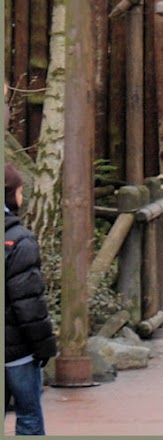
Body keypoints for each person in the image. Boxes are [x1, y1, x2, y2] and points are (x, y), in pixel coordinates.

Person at [5, 165, 57, 436]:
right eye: (21, 192)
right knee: (28, 415)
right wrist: (45, 347)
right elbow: (29, 304)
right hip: (17, 353)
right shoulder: (19, 241)